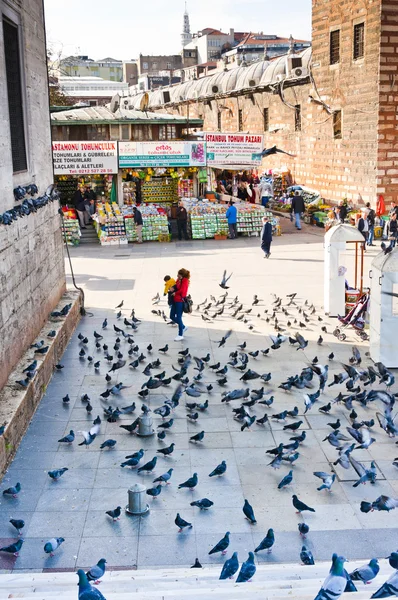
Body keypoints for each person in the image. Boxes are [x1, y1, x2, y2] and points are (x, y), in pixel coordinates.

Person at [169, 268, 190, 341]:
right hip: (175, 300)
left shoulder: (185, 281)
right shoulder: (178, 279)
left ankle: (180, 334)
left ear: (182, 275)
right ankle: (183, 327)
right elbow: (176, 286)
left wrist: (175, 293)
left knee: (178, 317)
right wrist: (172, 288)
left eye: (179, 274)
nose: (177, 276)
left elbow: (182, 291)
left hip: (180, 301)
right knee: (171, 316)